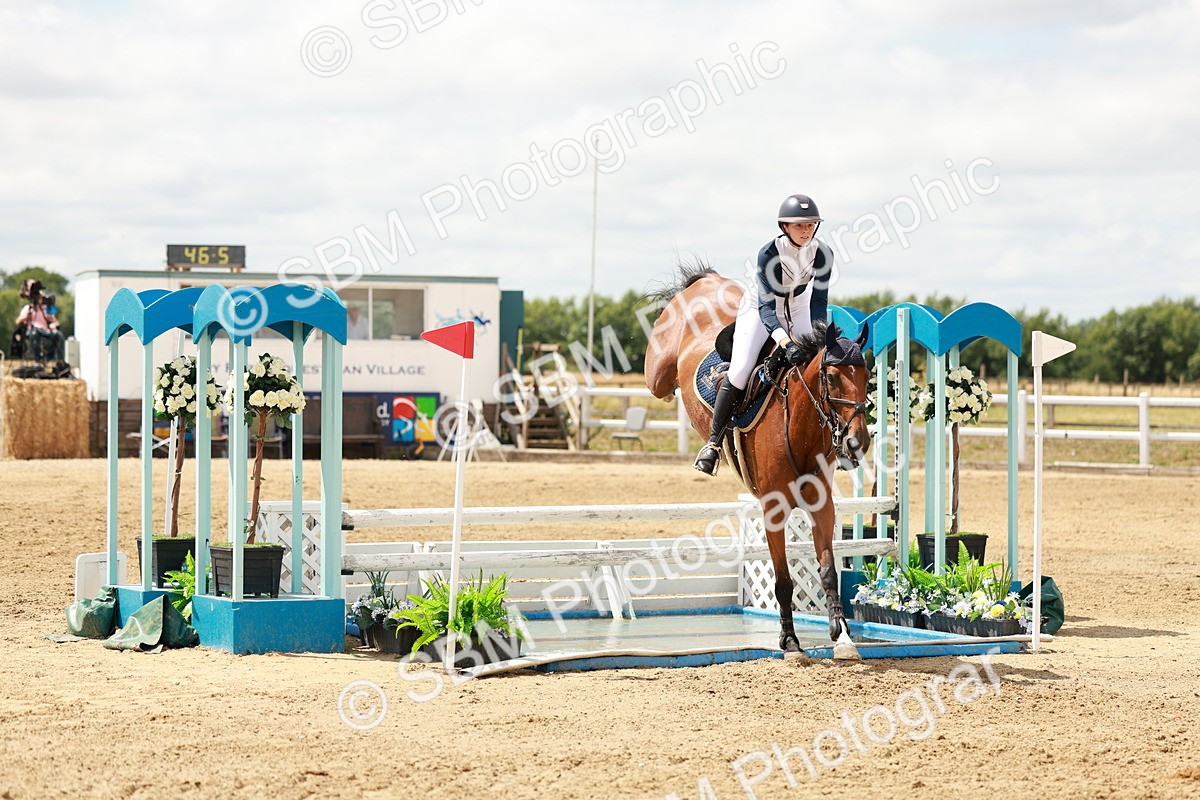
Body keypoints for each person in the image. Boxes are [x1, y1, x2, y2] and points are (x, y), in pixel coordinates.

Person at [693, 194, 833, 476]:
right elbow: (768, 309)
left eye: (810, 225)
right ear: (784, 227)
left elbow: (819, 301)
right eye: (799, 225)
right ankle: (713, 444)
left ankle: (834, 438)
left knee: (820, 364)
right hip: (760, 307)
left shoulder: (823, 253)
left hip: (800, 304)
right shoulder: (769, 253)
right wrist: (785, 342)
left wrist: (818, 336)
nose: (805, 231)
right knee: (741, 369)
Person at [15, 279, 66, 362]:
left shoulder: (46, 309)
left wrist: (54, 324)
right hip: (32, 331)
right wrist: (26, 316)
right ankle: (38, 359)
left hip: (45, 331)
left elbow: (55, 321)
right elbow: (18, 321)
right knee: (35, 333)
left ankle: (52, 358)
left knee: (58, 335)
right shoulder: (28, 308)